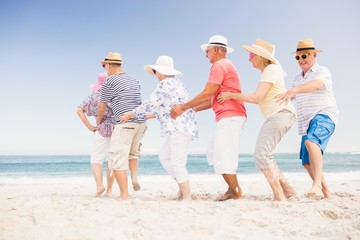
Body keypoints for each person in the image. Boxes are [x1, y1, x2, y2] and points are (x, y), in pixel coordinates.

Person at [217, 39, 297, 201]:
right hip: (281, 115)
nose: (249, 58)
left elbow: (256, 97)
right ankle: (289, 191)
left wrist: (230, 95)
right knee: (265, 155)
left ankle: (279, 196)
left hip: (280, 114)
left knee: (261, 155)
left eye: (251, 54)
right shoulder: (271, 71)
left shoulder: (271, 69)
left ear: (261, 56)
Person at [170, 35, 247, 201]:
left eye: (208, 50)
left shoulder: (220, 65)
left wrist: (182, 107)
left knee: (223, 156)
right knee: (214, 153)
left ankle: (236, 193)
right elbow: (213, 100)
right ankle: (231, 190)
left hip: (230, 116)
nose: (206, 53)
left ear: (217, 50)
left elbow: (207, 92)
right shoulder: (225, 65)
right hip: (230, 115)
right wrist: (192, 110)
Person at [120, 56, 199, 200]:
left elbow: (151, 103)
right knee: (164, 156)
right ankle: (182, 189)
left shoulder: (165, 84)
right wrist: (148, 116)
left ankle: (187, 196)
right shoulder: (178, 84)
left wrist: (131, 113)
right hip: (183, 126)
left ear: (159, 71)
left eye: (155, 71)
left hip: (179, 127)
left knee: (176, 163)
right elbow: (166, 108)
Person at [276, 39, 339, 199]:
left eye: (304, 55)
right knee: (306, 162)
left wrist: (294, 90)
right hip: (307, 123)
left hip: (324, 115)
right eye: (297, 57)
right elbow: (290, 97)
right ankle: (327, 194)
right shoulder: (297, 78)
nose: (301, 59)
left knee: (311, 142)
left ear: (314, 55)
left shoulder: (322, 71)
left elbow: (316, 85)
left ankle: (316, 185)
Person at [97, 52, 147, 201]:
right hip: (141, 123)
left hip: (125, 123)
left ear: (111, 65)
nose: (105, 68)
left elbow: (101, 107)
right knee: (132, 154)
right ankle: (134, 177)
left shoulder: (109, 81)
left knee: (116, 159)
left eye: (105, 65)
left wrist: (98, 121)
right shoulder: (134, 80)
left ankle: (124, 195)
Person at [76, 73, 115, 197]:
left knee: (96, 159)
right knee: (111, 161)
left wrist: (89, 126)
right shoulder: (115, 96)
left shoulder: (93, 96)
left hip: (101, 129)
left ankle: (99, 186)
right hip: (116, 130)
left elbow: (79, 110)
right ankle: (109, 190)